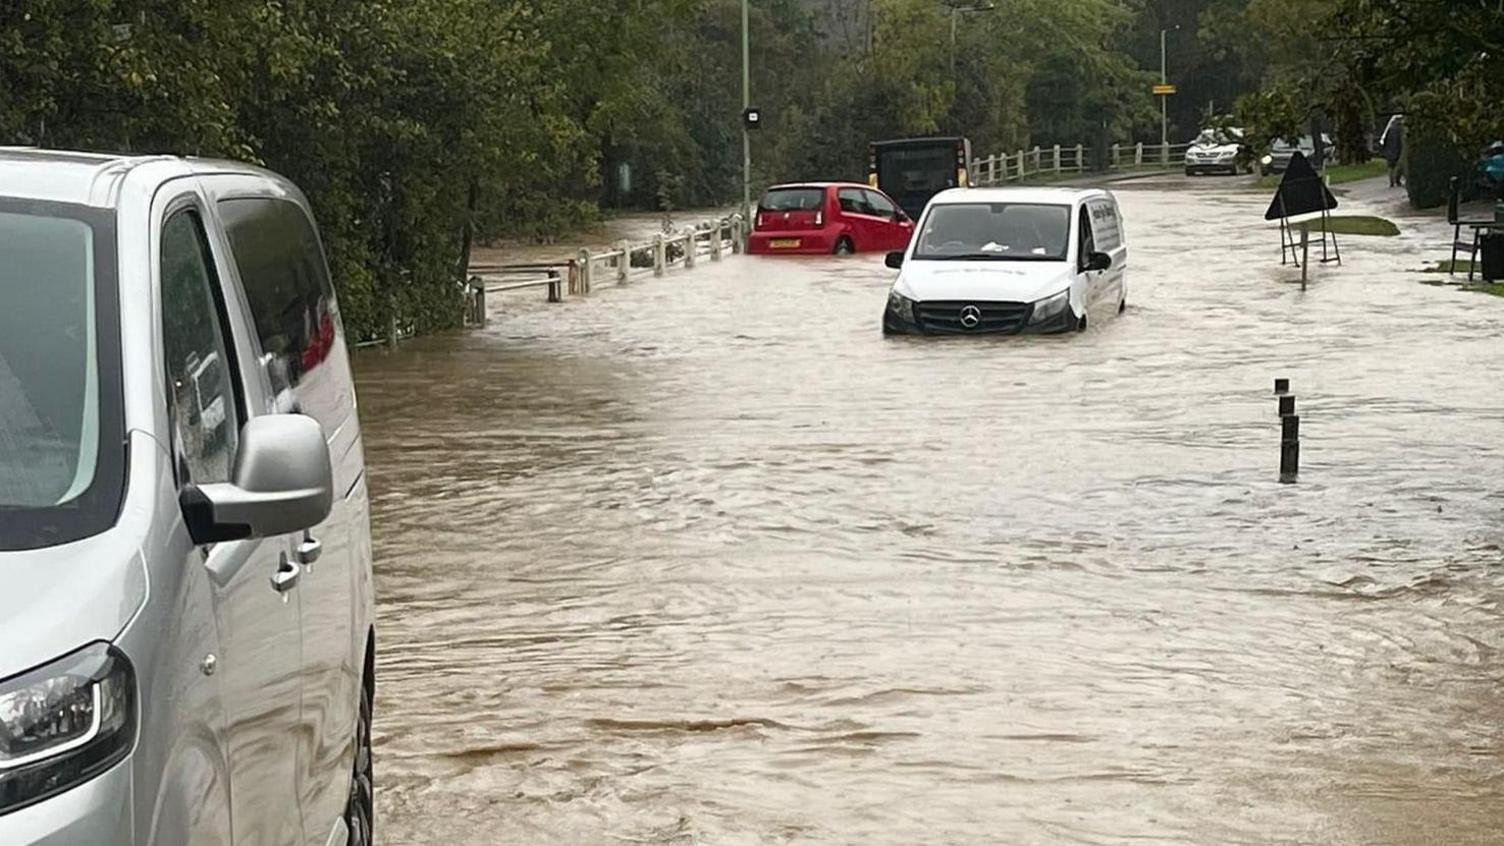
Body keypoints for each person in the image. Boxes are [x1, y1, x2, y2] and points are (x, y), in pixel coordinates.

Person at [1379, 115, 1405, 187]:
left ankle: (1391, 181)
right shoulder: (1401, 130)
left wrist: (1384, 149)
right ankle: (1397, 180)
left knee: (1390, 166)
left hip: (1389, 150)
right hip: (1397, 149)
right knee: (1398, 166)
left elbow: (1385, 139)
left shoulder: (1390, 129)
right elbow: (1402, 140)